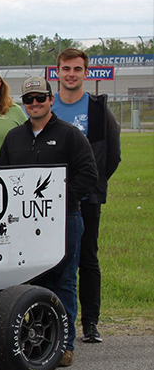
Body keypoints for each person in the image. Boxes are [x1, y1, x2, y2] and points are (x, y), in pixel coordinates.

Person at [0, 77, 97, 367]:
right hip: (24, 224)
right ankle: (37, 339)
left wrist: (57, 201)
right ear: (23, 103)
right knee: (30, 281)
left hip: (64, 220)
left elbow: (88, 176)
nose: (35, 104)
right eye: (29, 99)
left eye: (40, 98)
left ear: (51, 100)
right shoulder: (14, 138)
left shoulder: (70, 135)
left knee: (63, 280)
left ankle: (65, 345)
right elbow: (1, 177)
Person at [51, 48, 121, 344]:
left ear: (85, 73)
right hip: (49, 198)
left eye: (77, 69)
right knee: (51, 260)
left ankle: (90, 323)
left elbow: (112, 155)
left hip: (86, 197)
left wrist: (90, 185)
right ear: (57, 72)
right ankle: (50, 318)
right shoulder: (46, 105)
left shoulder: (97, 109)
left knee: (87, 259)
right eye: (66, 68)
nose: (71, 74)